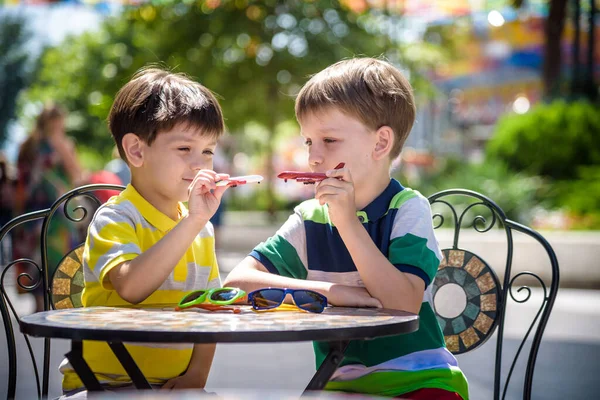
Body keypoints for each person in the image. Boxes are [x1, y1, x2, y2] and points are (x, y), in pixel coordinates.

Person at [224, 58, 469, 399]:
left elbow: (403, 304)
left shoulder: (408, 210)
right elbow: (236, 282)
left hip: (420, 380)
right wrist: (330, 292)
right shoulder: (311, 217)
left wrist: (348, 223)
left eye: (329, 140)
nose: (313, 157)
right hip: (338, 383)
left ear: (381, 144)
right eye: (309, 141)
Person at [59, 68, 230, 396]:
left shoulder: (201, 228)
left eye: (208, 151)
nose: (200, 165)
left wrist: (196, 377)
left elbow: (212, 310)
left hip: (173, 387)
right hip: (104, 384)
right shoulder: (116, 218)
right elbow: (132, 287)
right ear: (136, 151)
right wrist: (192, 222)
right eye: (184, 149)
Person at [13, 103, 84, 311]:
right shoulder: (31, 146)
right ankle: (47, 307)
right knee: (45, 259)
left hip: (48, 212)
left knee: (52, 259)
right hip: (47, 211)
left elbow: (77, 175)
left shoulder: (34, 145)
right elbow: (77, 175)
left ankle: (46, 307)